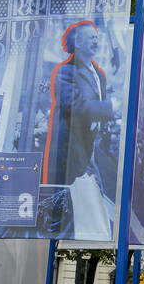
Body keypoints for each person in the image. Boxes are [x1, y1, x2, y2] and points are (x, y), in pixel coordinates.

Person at [43, 20, 118, 188]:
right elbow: (75, 106)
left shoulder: (99, 75)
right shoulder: (66, 71)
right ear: (77, 42)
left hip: (92, 150)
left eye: (97, 38)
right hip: (71, 151)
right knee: (68, 204)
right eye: (91, 38)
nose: (96, 41)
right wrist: (111, 107)